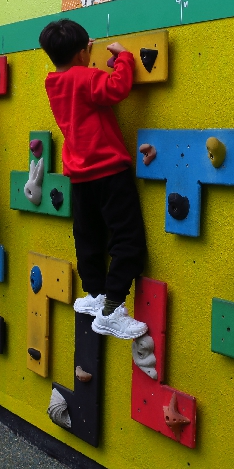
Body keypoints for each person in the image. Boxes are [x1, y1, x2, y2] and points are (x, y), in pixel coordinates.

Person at [39, 19, 148, 340]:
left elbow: (80, 84)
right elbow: (117, 88)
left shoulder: (53, 83)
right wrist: (124, 57)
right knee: (128, 239)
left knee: (88, 236)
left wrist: (83, 56)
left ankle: (96, 293)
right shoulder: (85, 78)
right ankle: (112, 309)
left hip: (79, 176)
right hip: (108, 171)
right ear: (80, 54)